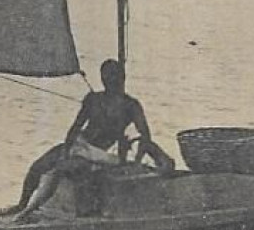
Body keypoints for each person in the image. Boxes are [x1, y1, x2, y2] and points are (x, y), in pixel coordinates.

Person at [15, 59, 171, 220]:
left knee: (65, 168)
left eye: (114, 75)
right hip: (80, 144)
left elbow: (145, 136)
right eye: (106, 76)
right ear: (102, 78)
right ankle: (21, 205)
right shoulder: (92, 99)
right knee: (38, 166)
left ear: (122, 77)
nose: (110, 80)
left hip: (100, 153)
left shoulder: (130, 105)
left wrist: (137, 161)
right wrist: (66, 149)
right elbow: (75, 127)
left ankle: (31, 210)